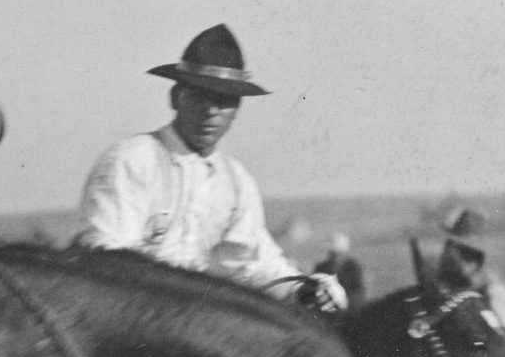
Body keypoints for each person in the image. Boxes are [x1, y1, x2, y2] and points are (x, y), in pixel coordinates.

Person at [77, 24, 347, 313]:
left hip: (195, 324)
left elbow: (251, 263)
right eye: (199, 96)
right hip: (129, 317)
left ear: (236, 111)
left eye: (224, 101)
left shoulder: (235, 180)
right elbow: (104, 262)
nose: (211, 111)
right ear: (176, 97)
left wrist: (304, 289)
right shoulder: (131, 161)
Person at [432, 209, 505, 340]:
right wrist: (486, 280)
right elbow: (466, 274)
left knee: (499, 291)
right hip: (461, 291)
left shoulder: (457, 248)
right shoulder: (455, 250)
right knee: (497, 291)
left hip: (461, 289)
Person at [312, 233, 367, 308]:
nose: (334, 257)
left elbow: (358, 292)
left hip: (348, 309)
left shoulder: (353, 267)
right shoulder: (321, 267)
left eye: (337, 254)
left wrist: (344, 302)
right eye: (332, 254)